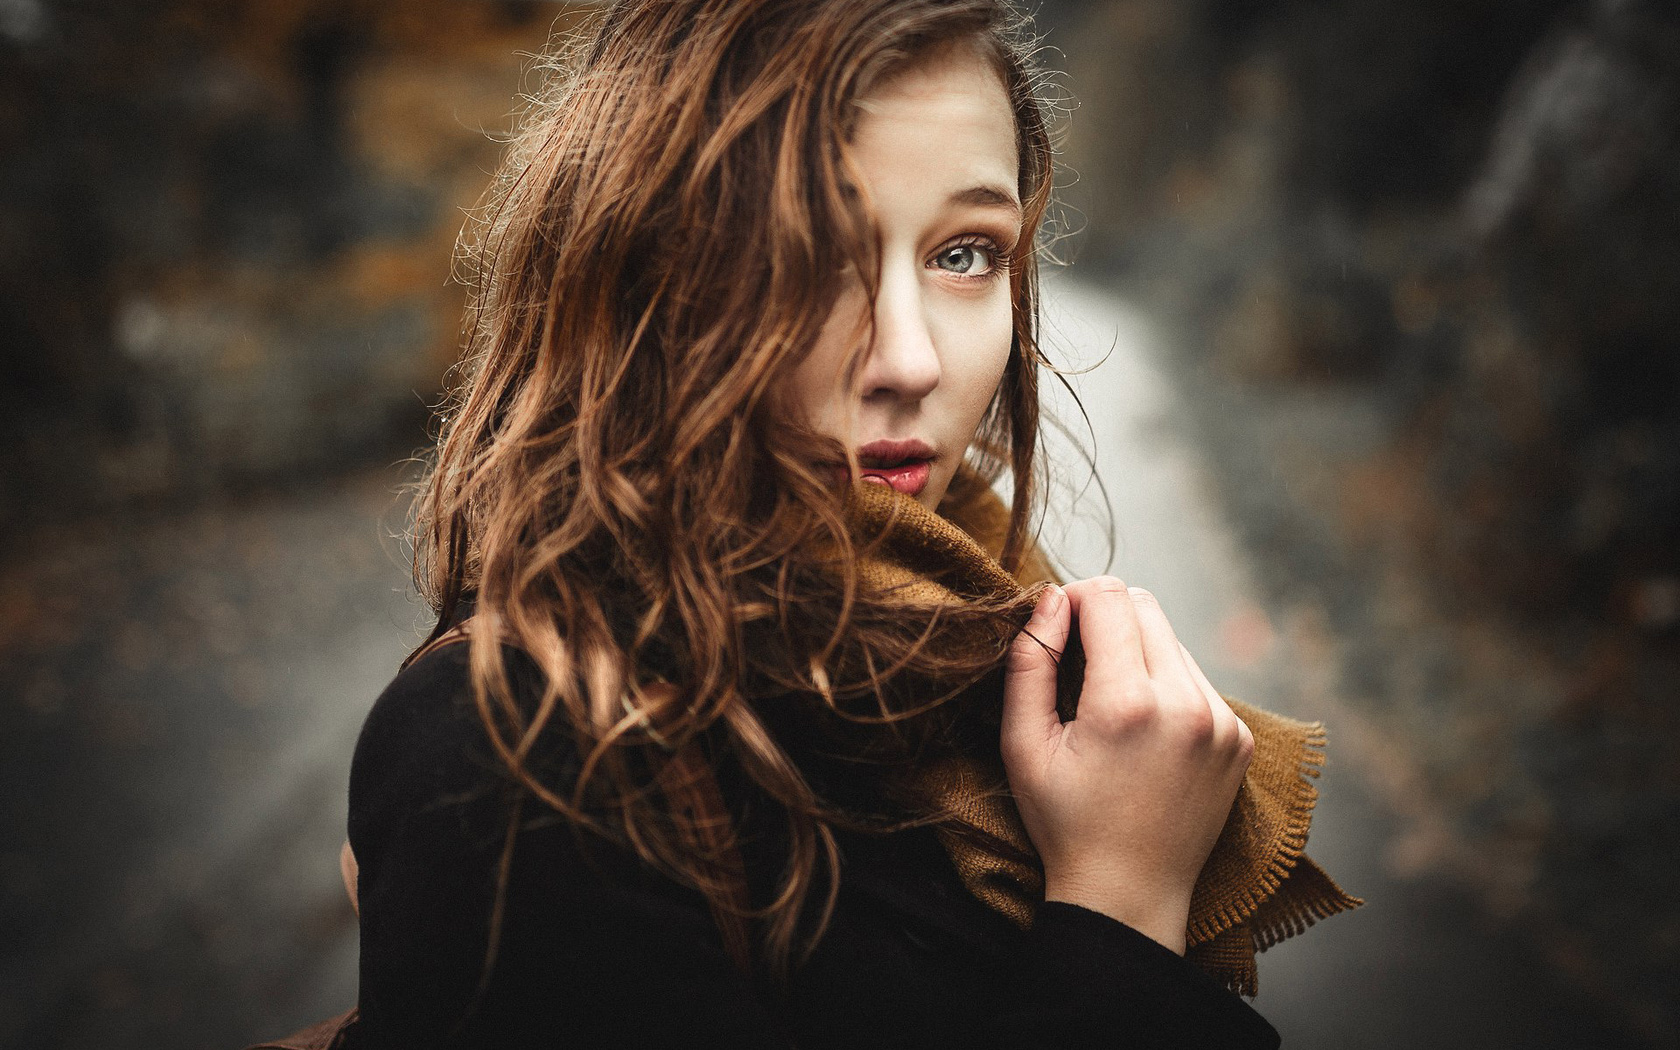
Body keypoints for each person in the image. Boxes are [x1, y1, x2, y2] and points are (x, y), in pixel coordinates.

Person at [334, 1, 1339, 1046]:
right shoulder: (520, 748)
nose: (909, 360)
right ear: (642, 283)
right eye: (810, 255)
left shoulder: (969, 650)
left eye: (965, 254)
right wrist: (1121, 907)